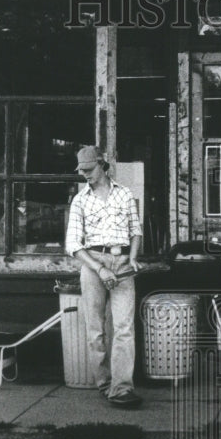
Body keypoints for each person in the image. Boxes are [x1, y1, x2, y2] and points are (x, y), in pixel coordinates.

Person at [65, 146, 144, 408]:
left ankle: (122, 388)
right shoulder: (80, 200)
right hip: (93, 264)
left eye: (88, 169)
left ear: (102, 165)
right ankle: (105, 383)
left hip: (122, 264)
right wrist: (100, 269)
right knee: (96, 329)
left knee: (124, 327)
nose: (85, 175)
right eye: (82, 171)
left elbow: (136, 230)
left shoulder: (124, 194)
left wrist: (132, 256)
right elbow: (73, 244)